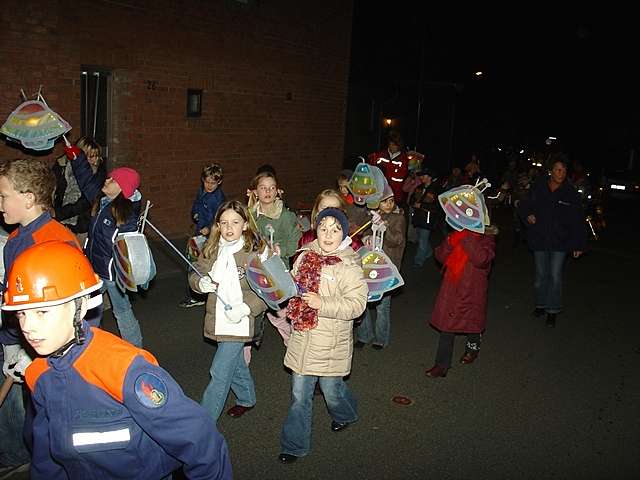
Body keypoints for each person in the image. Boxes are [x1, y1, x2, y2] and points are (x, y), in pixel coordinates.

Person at [2, 241, 232, 478]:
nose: (28, 327)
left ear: (79, 309)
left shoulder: (124, 368)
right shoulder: (37, 375)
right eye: (21, 313)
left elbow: (199, 439)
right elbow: (46, 455)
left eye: (42, 312)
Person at [0, 158, 82, 472]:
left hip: (49, 351)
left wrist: (31, 350)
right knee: (33, 424)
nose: (0, 203)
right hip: (21, 338)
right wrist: (10, 340)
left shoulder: (54, 242)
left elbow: (80, 306)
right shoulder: (17, 238)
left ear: (29, 198)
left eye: (4, 196)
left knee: (48, 428)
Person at [278, 207, 368, 463]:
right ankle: (294, 445)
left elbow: (357, 304)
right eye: (323, 228)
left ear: (344, 234)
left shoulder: (348, 265)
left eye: (335, 229)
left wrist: (323, 303)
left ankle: (345, 414)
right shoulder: (305, 256)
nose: (328, 234)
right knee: (299, 397)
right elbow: (291, 286)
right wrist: (276, 275)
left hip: (331, 344)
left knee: (332, 392)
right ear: (315, 230)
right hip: (303, 340)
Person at [189, 200, 267, 421]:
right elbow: (196, 272)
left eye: (235, 222)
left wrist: (245, 308)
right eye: (224, 223)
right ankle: (247, 398)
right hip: (219, 318)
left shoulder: (254, 253)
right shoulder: (212, 249)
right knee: (236, 362)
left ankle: (204, 424)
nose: (229, 228)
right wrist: (199, 282)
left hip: (240, 320)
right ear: (218, 225)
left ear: (245, 224)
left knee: (219, 371)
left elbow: (268, 292)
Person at [65, 143, 145, 346]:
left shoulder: (126, 217)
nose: (106, 180)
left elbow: (130, 250)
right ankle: (88, 345)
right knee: (87, 309)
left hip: (112, 276)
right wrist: (75, 156)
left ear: (122, 189)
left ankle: (136, 350)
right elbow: (85, 179)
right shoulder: (101, 200)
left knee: (122, 311)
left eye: (112, 180)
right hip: (94, 268)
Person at [425, 182, 498, 378]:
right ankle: (442, 365)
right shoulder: (455, 235)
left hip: (472, 289)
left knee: (472, 323)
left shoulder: (487, 239)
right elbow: (440, 256)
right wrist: (451, 242)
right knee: (447, 326)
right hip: (452, 287)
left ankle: (473, 348)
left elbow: (481, 259)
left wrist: (468, 238)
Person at [518, 156, 587, 327]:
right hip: (540, 238)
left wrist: (578, 244)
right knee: (541, 276)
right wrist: (528, 215)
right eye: (558, 169)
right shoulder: (538, 188)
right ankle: (541, 305)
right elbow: (524, 205)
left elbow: (578, 220)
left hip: (560, 241)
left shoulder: (570, 193)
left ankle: (552, 310)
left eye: (564, 170)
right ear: (550, 171)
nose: (561, 173)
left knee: (555, 276)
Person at [355, 185, 406, 349]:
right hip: (369, 265)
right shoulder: (371, 216)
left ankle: (380, 338)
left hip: (386, 268)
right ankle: (364, 335)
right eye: (384, 202)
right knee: (364, 301)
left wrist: (384, 226)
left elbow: (396, 240)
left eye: (391, 201)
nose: (389, 205)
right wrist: (367, 236)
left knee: (382, 306)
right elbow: (362, 231)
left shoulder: (398, 218)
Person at [179, 163, 226, 308]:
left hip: (211, 236)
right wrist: (195, 213)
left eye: (213, 183)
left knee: (201, 263)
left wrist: (209, 227)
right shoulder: (202, 191)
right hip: (200, 233)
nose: (209, 185)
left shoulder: (218, 198)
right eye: (207, 182)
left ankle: (200, 294)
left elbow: (220, 216)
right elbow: (196, 204)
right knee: (193, 259)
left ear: (219, 182)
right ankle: (198, 292)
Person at [52, 136, 106, 245]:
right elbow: (53, 190)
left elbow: (86, 202)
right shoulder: (62, 166)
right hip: (58, 222)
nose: (94, 160)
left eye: (96, 156)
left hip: (81, 225)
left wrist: (57, 214)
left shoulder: (98, 175)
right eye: (90, 156)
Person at [247, 171, 301, 267]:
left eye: (272, 188)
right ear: (255, 192)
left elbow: (296, 242)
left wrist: (280, 250)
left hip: (277, 267)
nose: (268, 191)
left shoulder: (285, 216)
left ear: (276, 192)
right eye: (263, 188)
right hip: (255, 266)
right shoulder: (250, 215)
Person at [408, 168, 440, 267]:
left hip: (428, 219)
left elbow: (437, 207)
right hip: (418, 218)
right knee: (421, 238)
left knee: (422, 240)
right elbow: (411, 200)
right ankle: (429, 252)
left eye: (423, 175)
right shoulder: (419, 188)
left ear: (429, 177)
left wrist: (422, 206)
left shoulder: (436, 189)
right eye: (420, 175)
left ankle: (419, 261)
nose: (421, 177)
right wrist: (414, 204)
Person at [367, 130, 410, 204]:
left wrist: (387, 169)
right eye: (391, 144)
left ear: (399, 146)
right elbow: (372, 170)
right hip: (378, 192)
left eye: (395, 145)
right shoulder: (380, 155)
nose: (392, 147)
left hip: (394, 194)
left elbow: (400, 178)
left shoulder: (403, 159)